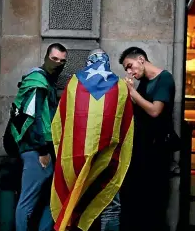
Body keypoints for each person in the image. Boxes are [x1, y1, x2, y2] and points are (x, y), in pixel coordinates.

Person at [50, 49, 134, 231]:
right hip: (107, 157)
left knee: (77, 199)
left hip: (77, 156)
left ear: (88, 62)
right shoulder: (119, 86)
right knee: (108, 202)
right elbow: (126, 123)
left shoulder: (74, 82)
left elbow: (60, 120)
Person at [118, 46, 176, 231]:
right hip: (142, 147)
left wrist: (132, 92)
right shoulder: (143, 81)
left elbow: (154, 110)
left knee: (153, 197)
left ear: (141, 59)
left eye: (130, 65)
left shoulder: (164, 79)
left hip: (156, 149)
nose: (130, 71)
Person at [12, 43, 68, 231]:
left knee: (48, 199)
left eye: (62, 61)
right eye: (54, 59)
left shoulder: (45, 81)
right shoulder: (38, 81)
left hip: (41, 147)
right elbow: (33, 117)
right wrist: (42, 150)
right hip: (36, 149)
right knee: (28, 200)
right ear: (46, 57)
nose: (58, 64)